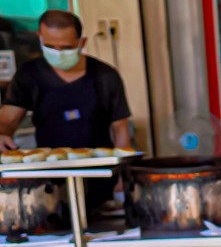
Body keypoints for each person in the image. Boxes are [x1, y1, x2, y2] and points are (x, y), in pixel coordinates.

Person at [0, 10, 131, 151]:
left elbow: (120, 130)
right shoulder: (28, 75)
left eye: (66, 48)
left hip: (99, 166)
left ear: (82, 43)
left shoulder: (105, 76)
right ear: (40, 38)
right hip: (50, 166)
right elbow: (8, 120)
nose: (58, 53)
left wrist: (122, 165)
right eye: (50, 47)